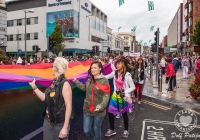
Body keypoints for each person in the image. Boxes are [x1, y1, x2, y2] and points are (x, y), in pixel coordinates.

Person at [28, 57, 72, 140]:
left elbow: (69, 106)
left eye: (52, 66)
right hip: (48, 122)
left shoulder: (65, 84)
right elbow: (44, 97)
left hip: (59, 124)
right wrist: (33, 86)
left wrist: (65, 127)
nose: (52, 68)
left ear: (55, 68)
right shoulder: (54, 82)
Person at [73, 61, 110, 140]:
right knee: (86, 130)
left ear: (100, 69)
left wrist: (100, 106)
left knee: (97, 129)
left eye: (95, 68)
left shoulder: (104, 80)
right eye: (92, 68)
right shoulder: (89, 79)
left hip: (98, 110)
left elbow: (106, 96)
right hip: (88, 109)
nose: (93, 69)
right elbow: (84, 88)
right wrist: (76, 81)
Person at [104, 59, 135, 138]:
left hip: (123, 97)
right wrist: (97, 76)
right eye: (117, 64)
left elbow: (133, 87)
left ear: (123, 65)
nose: (117, 65)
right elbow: (106, 77)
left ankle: (126, 130)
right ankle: (112, 129)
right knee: (110, 112)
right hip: (115, 96)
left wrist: (126, 91)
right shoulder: (115, 73)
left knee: (124, 114)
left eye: (119, 64)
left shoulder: (127, 75)